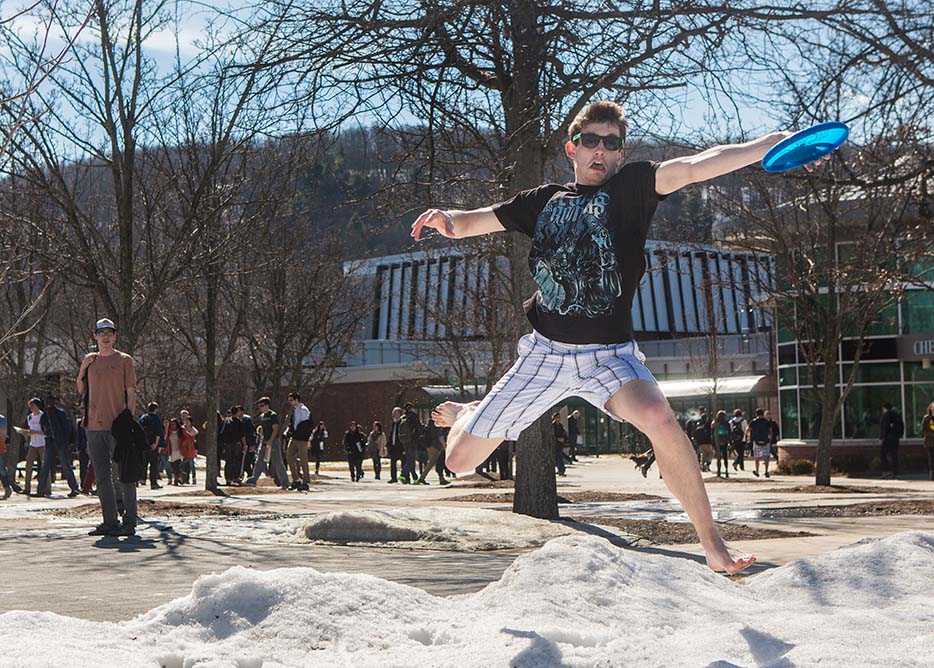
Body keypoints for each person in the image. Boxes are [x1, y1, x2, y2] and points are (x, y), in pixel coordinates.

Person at [413, 102, 831, 573]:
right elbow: (474, 221)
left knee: (658, 414)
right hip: (544, 354)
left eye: (611, 143)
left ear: (620, 152)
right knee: (460, 462)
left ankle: (713, 545)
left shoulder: (635, 187)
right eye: (591, 140)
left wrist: (774, 143)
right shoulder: (543, 201)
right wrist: (447, 217)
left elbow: (699, 165)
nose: (601, 151)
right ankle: (474, 411)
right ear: (572, 148)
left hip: (608, 356)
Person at [76, 318, 139, 537]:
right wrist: (83, 365)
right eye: (101, 332)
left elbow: (131, 393)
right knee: (101, 477)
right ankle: (109, 522)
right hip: (93, 426)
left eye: (109, 332)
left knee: (125, 476)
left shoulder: (124, 360)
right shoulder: (91, 361)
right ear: (94, 336)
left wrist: (129, 421)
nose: (105, 336)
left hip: (118, 427)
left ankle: (130, 522)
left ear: (115, 336)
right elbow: (81, 388)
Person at [37, 394, 80, 498]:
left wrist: (66, 442)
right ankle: (40, 490)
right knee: (45, 466)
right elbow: (42, 426)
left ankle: (74, 488)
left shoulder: (60, 413)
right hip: (50, 442)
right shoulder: (44, 415)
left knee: (65, 465)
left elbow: (66, 428)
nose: (48, 404)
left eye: (50, 402)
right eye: (47, 402)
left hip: (61, 443)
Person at [244, 397, 289, 489]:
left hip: (273, 442)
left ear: (267, 405)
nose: (260, 408)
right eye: (259, 406)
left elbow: (275, 429)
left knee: (277, 462)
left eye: (262, 405)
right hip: (265, 442)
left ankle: (285, 482)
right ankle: (253, 480)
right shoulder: (262, 416)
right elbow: (263, 429)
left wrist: (270, 441)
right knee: (259, 461)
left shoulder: (273, 415)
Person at [284, 392, 313, 491]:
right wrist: (289, 432)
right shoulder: (294, 411)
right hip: (294, 438)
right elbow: (293, 424)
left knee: (303, 460)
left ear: (297, 400)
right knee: (289, 455)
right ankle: (296, 479)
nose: (290, 402)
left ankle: (305, 481)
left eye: (291, 400)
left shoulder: (304, 410)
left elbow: (305, 426)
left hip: (302, 439)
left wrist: (303, 436)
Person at [22, 398, 48, 496]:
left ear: (37, 406)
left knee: (45, 466)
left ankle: (47, 488)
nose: (31, 408)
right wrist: (26, 433)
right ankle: (27, 488)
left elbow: (45, 431)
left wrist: (35, 432)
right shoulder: (29, 417)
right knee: (28, 465)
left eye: (33, 406)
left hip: (43, 444)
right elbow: (30, 429)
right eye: (30, 406)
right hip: (33, 444)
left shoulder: (43, 416)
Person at [138, 402, 165, 489]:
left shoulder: (143, 418)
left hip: (143, 443)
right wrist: (156, 443)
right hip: (153, 442)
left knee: (143, 462)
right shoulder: (156, 419)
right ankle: (153, 483)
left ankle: (142, 479)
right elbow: (158, 432)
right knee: (154, 464)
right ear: (156, 409)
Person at [417, 414, 448, 485]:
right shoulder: (438, 424)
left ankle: (441, 478)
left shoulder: (431, 423)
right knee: (432, 462)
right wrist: (444, 445)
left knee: (436, 463)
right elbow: (440, 436)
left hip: (430, 445)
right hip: (435, 446)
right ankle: (422, 478)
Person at [220, 406, 247, 485]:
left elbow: (222, 433)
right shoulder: (240, 422)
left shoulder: (226, 421)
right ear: (237, 412)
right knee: (236, 461)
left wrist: (223, 444)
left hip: (228, 444)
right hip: (237, 443)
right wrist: (244, 444)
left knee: (228, 461)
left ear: (231, 412)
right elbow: (242, 435)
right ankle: (235, 477)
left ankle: (228, 478)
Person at [879, 401, 903, 479]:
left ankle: (886, 471)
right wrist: (899, 435)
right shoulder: (897, 415)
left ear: (884, 408)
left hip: (887, 439)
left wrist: (882, 437)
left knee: (883, 454)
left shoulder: (886, 415)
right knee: (894, 455)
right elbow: (902, 426)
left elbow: (885, 427)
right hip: (895, 438)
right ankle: (895, 471)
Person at [748, 408, 773, 478]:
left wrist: (749, 437)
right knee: (767, 457)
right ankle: (766, 471)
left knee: (757, 457)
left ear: (756, 414)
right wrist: (770, 439)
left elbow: (748, 430)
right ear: (763, 414)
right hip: (766, 441)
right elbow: (771, 431)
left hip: (756, 441)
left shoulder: (753, 421)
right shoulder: (767, 421)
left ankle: (757, 471)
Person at [0, 410, 17, 498]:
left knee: (1, 469)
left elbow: (3, 435)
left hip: (0, 448)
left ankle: (7, 488)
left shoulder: (1, 419)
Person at [165, 418, 186, 485]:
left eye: (174, 424)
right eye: (171, 424)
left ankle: (176, 480)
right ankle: (181, 474)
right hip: (172, 451)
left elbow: (185, 439)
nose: (172, 426)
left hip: (179, 451)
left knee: (176, 465)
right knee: (173, 466)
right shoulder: (169, 431)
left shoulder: (181, 431)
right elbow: (166, 439)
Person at [386, 407, 405, 483]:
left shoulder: (402, 423)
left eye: (397, 413)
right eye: (394, 413)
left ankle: (404, 477)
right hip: (393, 446)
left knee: (403, 462)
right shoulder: (394, 423)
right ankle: (393, 477)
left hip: (400, 446)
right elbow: (391, 435)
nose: (395, 415)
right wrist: (389, 444)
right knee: (393, 463)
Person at [179, 416, 199, 485]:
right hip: (183, 449)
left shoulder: (193, 430)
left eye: (188, 421)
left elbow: (195, 441)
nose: (186, 422)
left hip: (191, 449)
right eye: (185, 421)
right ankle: (184, 478)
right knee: (183, 464)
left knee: (191, 464)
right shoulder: (182, 429)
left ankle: (194, 477)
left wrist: (196, 450)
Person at [713, 410, 731, 479]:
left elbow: (712, 433)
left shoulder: (715, 423)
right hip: (725, 441)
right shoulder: (726, 423)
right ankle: (726, 470)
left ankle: (719, 471)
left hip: (717, 441)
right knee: (725, 456)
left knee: (718, 457)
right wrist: (729, 441)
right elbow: (729, 432)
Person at [694, 407, 713, 473]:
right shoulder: (708, 424)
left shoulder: (698, 424)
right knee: (710, 453)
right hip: (708, 441)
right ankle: (707, 464)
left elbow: (695, 433)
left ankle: (702, 466)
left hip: (701, 442)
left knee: (703, 454)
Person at [552, 413, 568, 477]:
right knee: (558, 457)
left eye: (559, 417)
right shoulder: (552, 425)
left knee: (559, 456)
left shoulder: (560, 425)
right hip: (555, 443)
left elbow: (564, 433)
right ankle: (560, 469)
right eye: (557, 417)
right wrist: (557, 439)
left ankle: (561, 469)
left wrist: (564, 439)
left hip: (560, 444)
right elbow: (551, 435)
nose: (558, 419)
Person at [921, 401, 934, 481]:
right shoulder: (927, 418)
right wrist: (932, 435)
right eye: (933, 407)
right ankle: (932, 475)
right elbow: (923, 430)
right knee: (931, 459)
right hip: (930, 442)